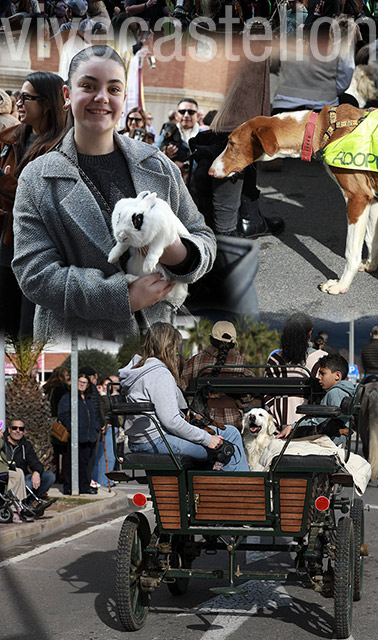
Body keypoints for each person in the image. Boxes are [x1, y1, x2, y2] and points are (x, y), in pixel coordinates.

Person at [11, 45, 216, 340]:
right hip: (76, 346)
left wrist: (177, 252)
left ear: (122, 97)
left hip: (157, 347)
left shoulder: (157, 165)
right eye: (89, 86)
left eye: (113, 88)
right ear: (67, 95)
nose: (102, 98)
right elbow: (35, 274)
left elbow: (203, 237)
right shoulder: (37, 177)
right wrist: (122, 296)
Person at [119, 322, 248, 470]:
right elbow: (172, 421)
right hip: (158, 440)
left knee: (230, 432)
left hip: (140, 439)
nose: (177, 353)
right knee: (228, 440)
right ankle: (241, 490)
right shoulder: (160, 374)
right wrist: (207, 439)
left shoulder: (138, 370)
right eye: (176, 348)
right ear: (169, 347)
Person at [0, 72, 66, 338]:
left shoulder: (61, 147)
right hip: (7, 241)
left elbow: (40, 197)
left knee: (26, 332)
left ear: (47, 104)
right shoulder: (12, 137)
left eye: (27, 97)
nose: (18, 102)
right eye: (20, 95)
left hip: (38, 253)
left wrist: (6, 186)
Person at [180, 320, 256, 430]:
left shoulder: (195, 361)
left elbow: (182, 389)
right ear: (233, 342)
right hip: (232, 421)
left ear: (211, 339)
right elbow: (248, 397)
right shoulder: (241, 363)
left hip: (202, 421)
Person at [265, 313, 326, 437]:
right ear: (310, 334)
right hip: (310, 427)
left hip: (278, 428)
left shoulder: (274, 359)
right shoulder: (322, 359)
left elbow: (267, 396)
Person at [57, 372, 102, 494]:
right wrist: (73, 427)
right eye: (80, 382)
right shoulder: (68, 397)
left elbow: (94, 414)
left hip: (89, 436)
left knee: (86, 463)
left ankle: (84, 486)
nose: (82, 385)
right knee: (72, 463)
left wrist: (97, 426)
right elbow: (63, 414)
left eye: (85, 383)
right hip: (76, 436)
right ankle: (69, 486)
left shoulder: (88, 398)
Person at [4, 417, 55, 499]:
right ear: (9, 430)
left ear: (24, 431)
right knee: (27, 484)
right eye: (14, 428)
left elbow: (35, 462)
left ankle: (31, 500)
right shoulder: (2, 443)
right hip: (7, 478)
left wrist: (36, 472)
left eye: (21, 429)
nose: (18, 431)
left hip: (23, 477)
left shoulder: (26, 445)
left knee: (49, 476)